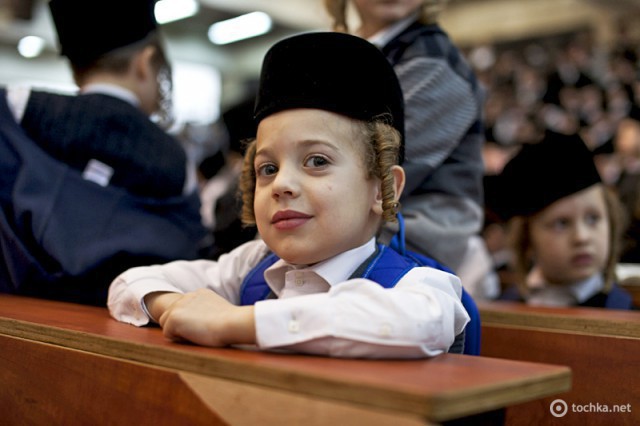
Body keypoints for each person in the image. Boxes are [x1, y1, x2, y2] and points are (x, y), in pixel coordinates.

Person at [108, 32, 470, 359]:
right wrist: (176, 306)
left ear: (382, 187)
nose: (282, 184)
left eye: (316, 161)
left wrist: (232, 323)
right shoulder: (251, 266)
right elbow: (130, 283)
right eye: (268, 168)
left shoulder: (420, 287)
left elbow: (419, 323)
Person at [0, 0, 207, 305]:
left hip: (15, 319)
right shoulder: (176, 162)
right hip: (126, 326)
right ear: (145, 63)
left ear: (74, 70)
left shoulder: (15, 111)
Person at [323, 0, 486, 276]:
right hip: (344, 226)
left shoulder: (435, 63)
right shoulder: (346, 53)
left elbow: (370, 174)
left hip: (411, 243)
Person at [494, 131, 633, 309]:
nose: (582, 237)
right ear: (527, 238)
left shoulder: (627, 314)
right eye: (561, 223)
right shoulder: (504, 310)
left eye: (593, 219)